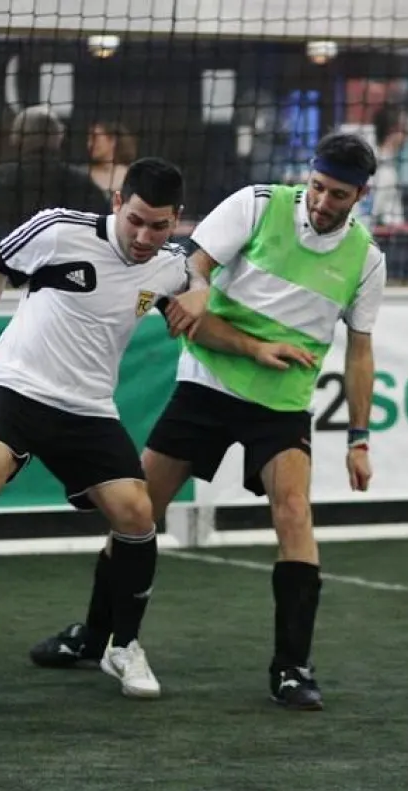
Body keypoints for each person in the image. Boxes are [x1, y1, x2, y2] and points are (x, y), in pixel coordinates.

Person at [29, 131, 389, 711]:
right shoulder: (255, 205)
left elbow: (361, 352)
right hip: (207, 386)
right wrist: (241, 339)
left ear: (360, 196)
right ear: (309, 176)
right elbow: (184, 283)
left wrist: (359, 438)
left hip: (283, 404)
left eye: (339, 195)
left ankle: (292, 668)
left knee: (294, 513)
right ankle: (97, 636)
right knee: (139, 510)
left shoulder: (367, 260)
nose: (324, 202)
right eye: (318, 187)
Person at [0, 157, 200, 700]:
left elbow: (196, 272)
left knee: (138, 513)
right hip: (16, 386)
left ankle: (123, 646)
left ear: (174, 220)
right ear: (117, 202)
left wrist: (202, 289)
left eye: (158, 226)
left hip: (89, 407)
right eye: (135, 219)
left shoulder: (168, 264)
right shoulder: (58, 228)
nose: (144, 236)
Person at [0, 106, 109, 253]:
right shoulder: (82, 183)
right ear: (58, 138)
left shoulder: (2, 180)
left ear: (16, 140)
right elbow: (102, 236)